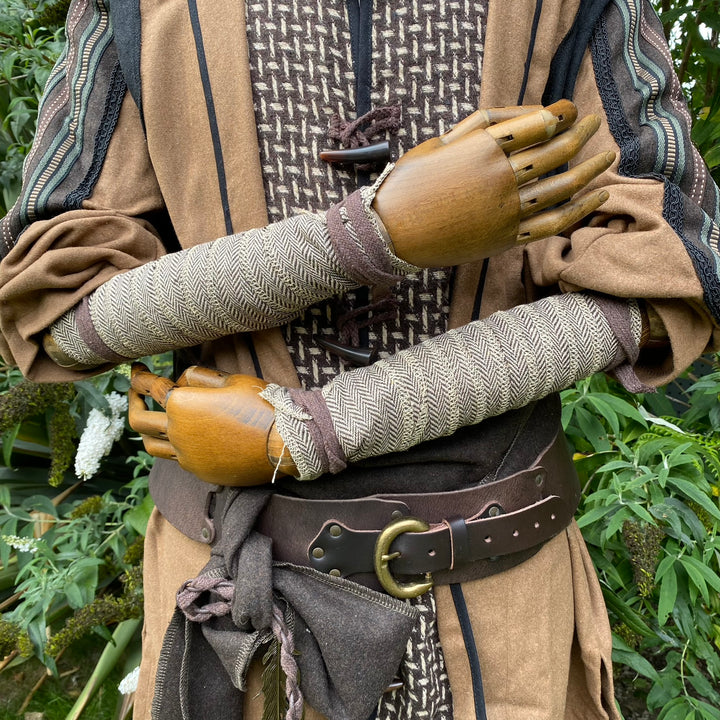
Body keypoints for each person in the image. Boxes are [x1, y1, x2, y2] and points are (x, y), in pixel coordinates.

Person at [0, 0, 718, 718]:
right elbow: (52, 309)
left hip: (501, 623)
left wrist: (314, 429)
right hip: (236, 614)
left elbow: (670, 281)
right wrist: (367, 238)